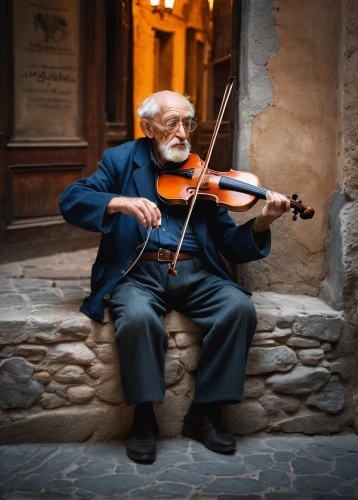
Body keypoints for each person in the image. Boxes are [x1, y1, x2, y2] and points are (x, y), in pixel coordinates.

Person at [59, 90, 290, 463]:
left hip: (197, 272)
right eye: (171, 124)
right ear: (148, 128)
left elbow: (229, 243)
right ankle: (144, 417)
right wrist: (119, 202)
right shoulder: (121, 161)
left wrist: (262, 222)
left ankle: (204, 413)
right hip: (138, 271)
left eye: (188, 123)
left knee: (238, 309)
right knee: (135, 318)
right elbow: (71, 199)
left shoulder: (202, 170)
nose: (182, 133)